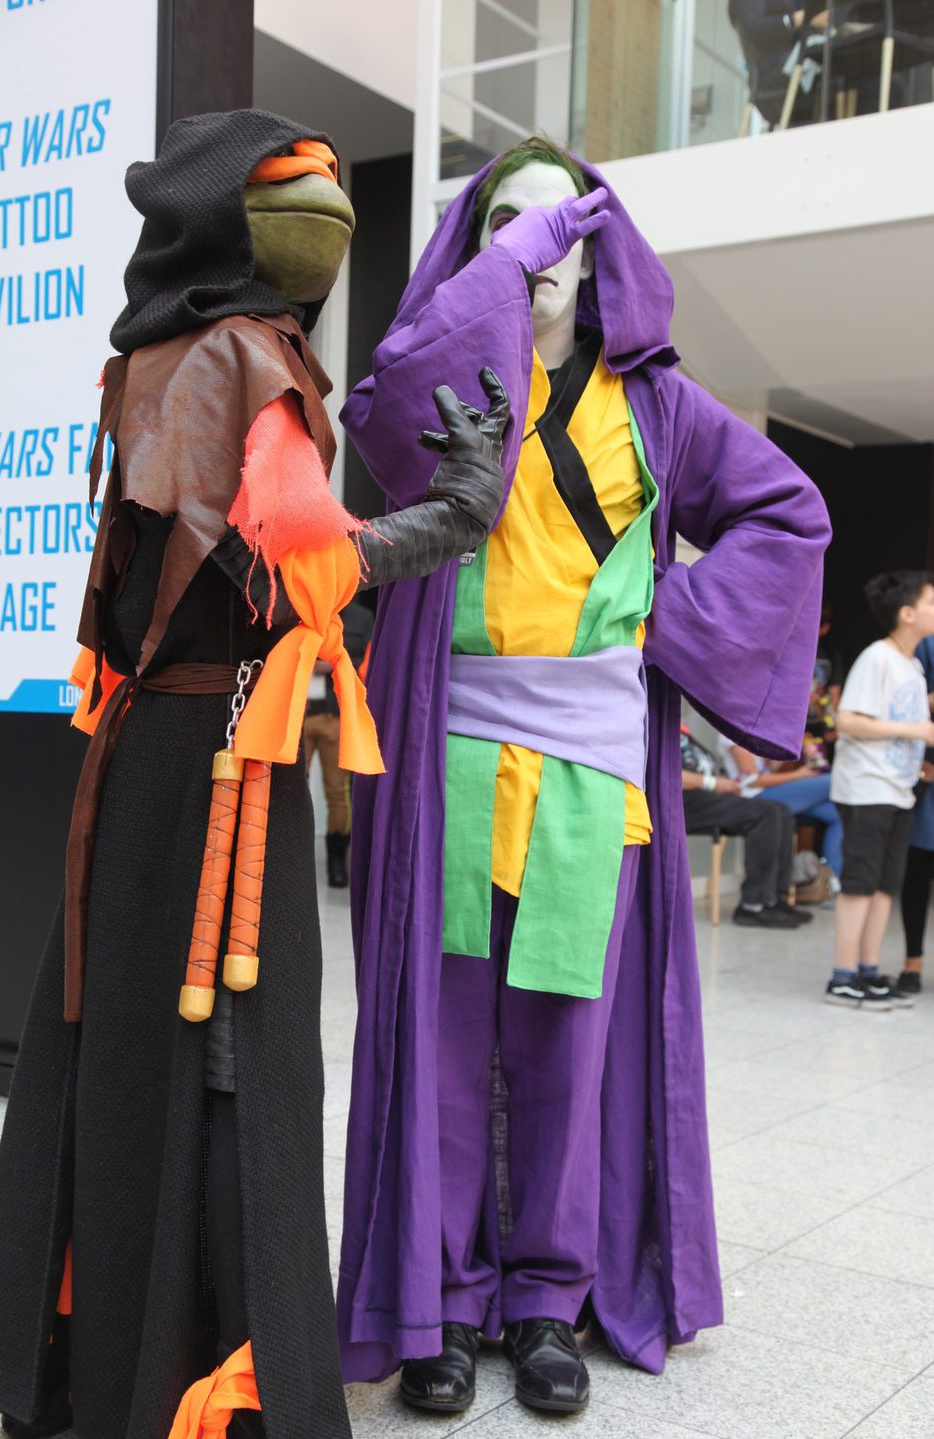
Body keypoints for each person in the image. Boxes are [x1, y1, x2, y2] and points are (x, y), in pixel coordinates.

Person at [0, 110, 509, 1439]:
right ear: (232, 224)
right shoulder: (247, 352)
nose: (327, 214)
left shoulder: (154, 354)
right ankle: (205, 1382)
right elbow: (296, 564)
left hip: (154, 747)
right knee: (236, 1055)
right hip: (222, 755)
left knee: (139, 1044)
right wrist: (451, 515)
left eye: (333, 196)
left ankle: (105, 1364)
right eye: (297, 198)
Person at [337, 134, 829, 1416]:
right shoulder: (449, 382)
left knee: (565, 1044)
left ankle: (548, 1301)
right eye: (511, 227)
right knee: (443, 1044)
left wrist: (672, 610)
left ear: (604, 249)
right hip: (450, 756)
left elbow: (789, 515)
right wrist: (502, 269)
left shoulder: (658, 404)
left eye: (564, 230)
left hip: (590, 778)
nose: (543, 255)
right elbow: (388, 410)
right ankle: (440, 1306)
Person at [826, 572, 934, 1010]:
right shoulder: (878, 658)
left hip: (899, 790)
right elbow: (846, 720)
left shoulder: (912, 665)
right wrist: (916, 729)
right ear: (907, 614)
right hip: (867, 789)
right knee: (860, 885)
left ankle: (869, 972)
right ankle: (842, 977)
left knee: (885, 886)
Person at [682, 727, 810, 927]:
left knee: (780, 811)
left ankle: (775, 899)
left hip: (707, 794)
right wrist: (713, 783)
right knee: (765, 814)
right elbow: (669, 773)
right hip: (684, 801)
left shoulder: (684, 733)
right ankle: (752, 905)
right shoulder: (659, 731)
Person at [305, 598, 374, 886]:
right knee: (285, 786)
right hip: (299, 714)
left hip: (334, 715)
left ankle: (336, 862)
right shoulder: (302, 605)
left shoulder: (361, 618)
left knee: (338, 792)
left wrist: (333, 665)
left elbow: (370, 662)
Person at [720, 731, 844, 880]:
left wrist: (794, 745)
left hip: (771, 792)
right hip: (754, 798)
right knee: (834, 780)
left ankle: (832, 880)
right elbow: (752, 780)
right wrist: (799, 775)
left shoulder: (754, 729)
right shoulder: (730, 733)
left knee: (838, 815)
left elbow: (769, 769)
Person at [898, 633, 934, 997]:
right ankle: (912, 962)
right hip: (928, 779)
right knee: (917, 872)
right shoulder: (927, 645)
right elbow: (906, 702)